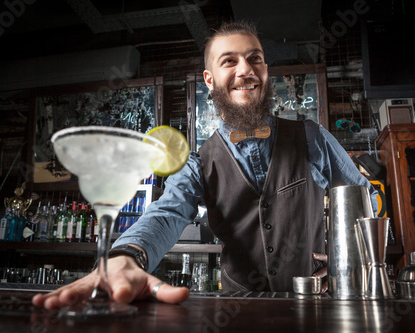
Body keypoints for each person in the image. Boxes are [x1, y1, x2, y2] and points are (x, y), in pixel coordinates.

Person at [33, 21, 378, 310]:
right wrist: (126, 256)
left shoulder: (312, 137)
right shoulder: (196, 162)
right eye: (229, 61)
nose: (245, 69)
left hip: (315, 305)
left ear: (266, 72)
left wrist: (342, 251)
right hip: (236, 311)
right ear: (209, 80)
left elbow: (368, 202)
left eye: (255, 59)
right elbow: (165, 214)